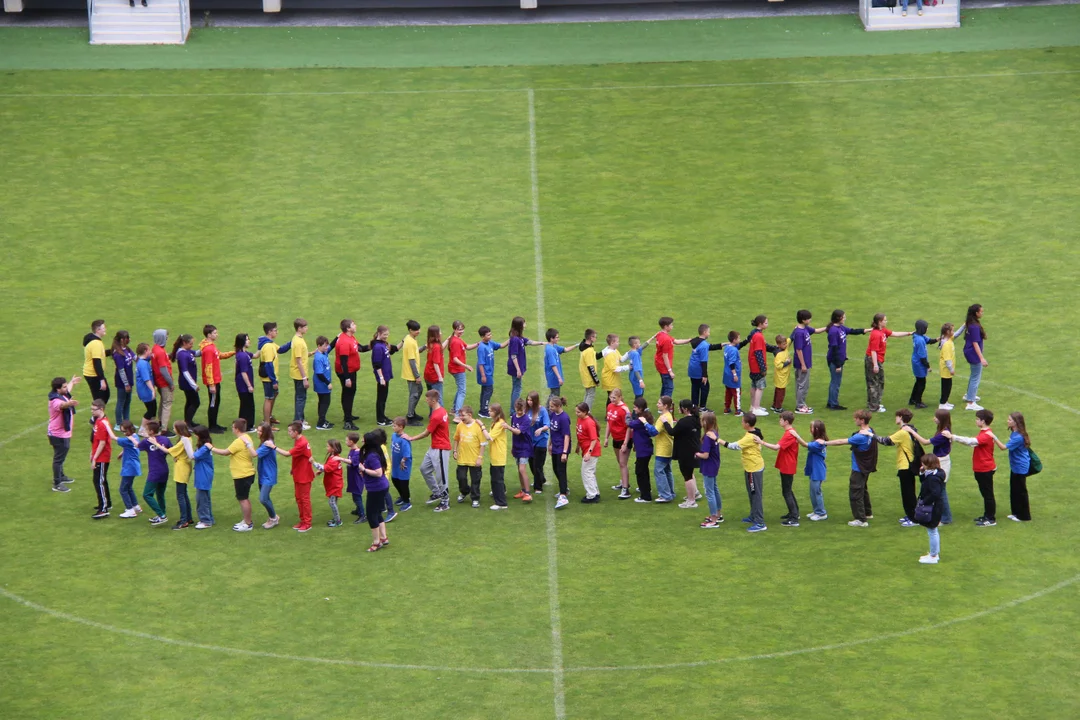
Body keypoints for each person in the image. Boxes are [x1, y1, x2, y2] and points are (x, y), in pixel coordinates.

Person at [824, 409, 878, 527]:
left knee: (855, 492)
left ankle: (860, 519)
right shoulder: (871, 431)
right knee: (863, 490)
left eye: (856, 418)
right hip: (866, 467)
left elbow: (841, 441)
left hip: (858, 468)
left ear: (862, 420)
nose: (854, 420)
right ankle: (867, 512)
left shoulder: (860, 436)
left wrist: (824, 443)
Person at [947, 408, 998, 526]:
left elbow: (971, 441)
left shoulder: (985, 435)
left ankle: (990, 519)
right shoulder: (985, 433)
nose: (976, 421)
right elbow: (973, 443)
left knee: (988, 494)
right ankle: (987, 516)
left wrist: (953, 437)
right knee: (985, 494)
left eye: (977, 419)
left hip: (985, 468)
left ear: (983, 421)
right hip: (982, 468)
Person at [718, 413, 767, 533]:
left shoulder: (749, 437)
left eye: (742, 421)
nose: (741, 423)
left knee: (756, 495)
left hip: (753, 468)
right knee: (752, 493)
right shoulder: (755, 431)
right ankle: (753, 515)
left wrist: (718, 440)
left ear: (747, 424)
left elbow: (733, 446)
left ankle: (760, 522)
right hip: (752, 467)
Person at [406, 390, 453, 512]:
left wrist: (411, 438)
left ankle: (445, 501)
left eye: (427, 400)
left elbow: (426, 433)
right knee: (424, 469)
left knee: (441, 476)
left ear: (433, 400)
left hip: (441, 448)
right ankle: (437, 492)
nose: (426, 401)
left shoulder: (437, 415)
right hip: (434, 447)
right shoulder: (441, 410)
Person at [873, 408, 920, 527]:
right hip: (909, 465)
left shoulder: (903, 432)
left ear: (901, 417)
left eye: (897, 416)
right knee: (909, 492)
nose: (895, 418)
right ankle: (911, 515)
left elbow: (886, 441)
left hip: (905, 466)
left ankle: (914, 519)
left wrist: (871, 435)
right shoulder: (910, 429)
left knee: (907, 494)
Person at [756, 410, 801, 526]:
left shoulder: (789, 434)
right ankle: (794, 512)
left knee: (786, 491)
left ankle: (794, 517)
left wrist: (762, 442)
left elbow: (776, 447)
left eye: (781, 419)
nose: (779, 421)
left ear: (786, 421)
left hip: (787, 465)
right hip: (788, 464)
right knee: (788, 490)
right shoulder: (791, 432)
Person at [212, 419, 257, 531]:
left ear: (236, 429)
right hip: (247, 472)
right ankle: (246, 520)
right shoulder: (247, 437)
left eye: (233, 427)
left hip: (242, 474)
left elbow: (225, 452)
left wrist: (211, 448)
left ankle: (248, 523)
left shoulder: (238, 441)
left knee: (243, 498)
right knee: (243, 498)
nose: (232, 429)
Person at [865, 313, 913, 414]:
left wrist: (909, 333)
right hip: (874, 360)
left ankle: (874, 402)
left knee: (878, 381)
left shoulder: (882, 331)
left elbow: (895, 334)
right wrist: (875, 365)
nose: (886, 321)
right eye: (885, 320)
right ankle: (874, 406)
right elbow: (873, 351)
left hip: (877, 359)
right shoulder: (876, 334)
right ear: (879, 322)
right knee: (874, 383)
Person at [274, 421, 314, 531]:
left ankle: (307, 523)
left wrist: (274, 447)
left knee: (304, 500)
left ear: (296, 432)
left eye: (290, 431)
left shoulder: (301, 443)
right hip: (298, 473)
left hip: (304, 475)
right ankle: (303, 520)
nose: (288, 433)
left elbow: (287, 454)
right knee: (298, 498)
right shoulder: (298, 440)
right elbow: (301, 456)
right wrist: (294, 468)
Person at [824, 310, 868, 411]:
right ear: (838, 318)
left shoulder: (840, 328)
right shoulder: (833, 331)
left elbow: (852, 331)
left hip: (839, 359)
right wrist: (838, 364)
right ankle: (833, 404)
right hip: (835, 360)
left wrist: (866, 330)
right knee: (835, 382)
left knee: (835, 382)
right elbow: (834, 349)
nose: (845, 318)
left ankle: (831, 402)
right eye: (843, 317)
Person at [356, 431, 391, 552]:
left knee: (371, 515)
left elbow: (378, 473)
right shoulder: (373, 453)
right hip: (379, 487)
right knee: (377, 512)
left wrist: (364, 469)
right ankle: (384, 537)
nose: (362, 441)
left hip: (377, 489)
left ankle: (376, 542)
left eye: (363, 440)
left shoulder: (372, 456)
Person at [156, 421, 193, 529]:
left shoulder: (184, 439)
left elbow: (168, 451)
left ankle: (183, 520)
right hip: (184, 466)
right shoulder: (187, 438)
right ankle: (188, 517)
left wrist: (156, 443)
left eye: (174, 427)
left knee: (180, 495)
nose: (173, 429)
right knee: (183, 494)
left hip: (182, 468)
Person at [199, 325, 235, 434]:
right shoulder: (209, 349)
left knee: (216, 401)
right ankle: (212, 426)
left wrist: (233, 352)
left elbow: (220, 355)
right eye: (215, 333)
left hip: (215, 380)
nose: (217, 334)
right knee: (213, 403)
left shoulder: (211, 346)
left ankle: (214, 424)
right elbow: (208, 367)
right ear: (209, 335)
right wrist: (211, 384)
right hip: (213, 381)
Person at [47, 375, 80, 493]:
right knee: (58, 459)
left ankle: (61, 476)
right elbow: (62, 405)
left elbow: (68, 391)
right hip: (57, 434)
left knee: (61, 457)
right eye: (64, 387)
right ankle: (57, 483)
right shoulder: (55, 401)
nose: (67, 389)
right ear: (58, 389)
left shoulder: (61, 394)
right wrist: (70, 403)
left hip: (63, 433)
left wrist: (72, 382)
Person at [790, 310, 826, 415]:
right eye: (809, 318)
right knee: (803, 385)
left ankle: (801, 404)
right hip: (802, 363)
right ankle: (800, 406)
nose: (810, 320)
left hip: (804, 362)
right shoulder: (799, 333)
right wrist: (803, 364)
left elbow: (816, 331)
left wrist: (828, 327)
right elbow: (798, 349)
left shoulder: (804, 328)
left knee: (801, 384)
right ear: (803, 320)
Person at [136, 420, 171, 525]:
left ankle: (162, 515)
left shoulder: (147, 441)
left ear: (151, 431)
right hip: (164, 469)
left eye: (146, 430)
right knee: (160, 493)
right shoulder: (165, 439)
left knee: (147, 494)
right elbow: (172, 450)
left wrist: (132, 439)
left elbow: (138, 446)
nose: (145, 431)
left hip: (155, 471)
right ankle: (162, 513)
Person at [332, 319, 365, 430]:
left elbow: (359, 348)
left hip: (351, 371)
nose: (355, 326)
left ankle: (348, 415)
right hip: (346, 372)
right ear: (348, 328)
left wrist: (372, 345)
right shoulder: (344, 342)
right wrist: (346, 378)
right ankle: (347, 421)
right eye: (353, 325)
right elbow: (343, 362)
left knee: (350, 392)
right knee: (348, 394)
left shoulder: (350, 337)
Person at [744, 315, 780, 417]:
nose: (767, 324)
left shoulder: (754, 333)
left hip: (752, 365)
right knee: (760, 387)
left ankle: (753, 406)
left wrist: (774, 348)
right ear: (760, 324)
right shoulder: (759, 336)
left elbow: (763, 346)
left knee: (754, 385)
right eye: (766, 323)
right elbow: (759, 353)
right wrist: (763, 368)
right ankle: (756, 408)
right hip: (757, 366)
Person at [257, 322, 291, 426]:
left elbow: (281, 350)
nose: (277, 332)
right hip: (269, 378)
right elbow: (268, 364)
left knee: (274, 394)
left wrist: (292, 342)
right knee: (269, 398)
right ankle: (267, 423)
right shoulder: (267, 346)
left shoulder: (271, 343)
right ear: (269, 332)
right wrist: (273, 380)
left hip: (271, 377)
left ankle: (269, 417)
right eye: (275, 330)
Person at [453, 406, 488, 508]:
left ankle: (475, 498)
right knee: (461, 478)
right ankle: (464, 491)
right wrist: (455, 450)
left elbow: (483, 443)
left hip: (474, 459)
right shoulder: (459, 425)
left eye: (463, 415)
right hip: (462, 458)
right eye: (460, 415)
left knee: (475, 480)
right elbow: (456, 438)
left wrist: (480, 457)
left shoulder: (477, 427)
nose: (461, 417)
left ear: (470, 415)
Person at [670, 399, 702, 508]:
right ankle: (695, 493)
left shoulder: (683, 422)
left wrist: (665, 422)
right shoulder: (696, 419)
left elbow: (672, 432)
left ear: (684, 409)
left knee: (687, 476)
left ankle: (691, 500)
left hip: (685, 452)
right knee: (690, 472)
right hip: (694, 450)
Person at [1002, 411, 1032, 522]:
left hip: (1020, 466)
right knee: (1014, 490)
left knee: (1021, 491)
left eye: (1010, 420)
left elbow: (1003, 447)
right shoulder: (1014, 433)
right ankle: (1016, 512)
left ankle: (1024, 516)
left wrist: (993, 437)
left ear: (1016, 422)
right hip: (1015, 466)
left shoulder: (1018, 437)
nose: (1007, 421)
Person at [506, 317, 543, 410]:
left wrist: (542, 343)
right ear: (519, 325)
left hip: (518, 366)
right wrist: (518, 370)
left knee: (517, 387)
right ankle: (513, 410)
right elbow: (513, 356)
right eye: (524, 323)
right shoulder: (515, 339)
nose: (525, 325)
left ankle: (513, 409)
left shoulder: (519, 337)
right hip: (515, 367)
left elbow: (529, 342)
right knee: (517, 388)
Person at [687, 324, 725, 411]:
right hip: (698, 369)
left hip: (692, 368)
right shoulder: (703, 345)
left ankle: (694, 406)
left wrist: (722, 344)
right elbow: (704, 361)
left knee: (695, 387)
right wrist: (704, 375)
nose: (709, 334)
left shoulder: (696, 340)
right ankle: (702, 407)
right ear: (704, 332)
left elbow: (710, 347)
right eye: (708, 332)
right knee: (705, 387)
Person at [603, 388, 632, 498]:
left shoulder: (624, 410)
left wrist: (625, 443)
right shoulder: (610, 406)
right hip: (615, 438)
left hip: (624, 438)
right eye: (610, 397)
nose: (612, 400)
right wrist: (606, 437)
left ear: (620, 397)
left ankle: (625, 489)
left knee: (623, 463)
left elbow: (629, 427)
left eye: (614, 398)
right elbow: (609, 423)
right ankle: (625, 483)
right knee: (620, 462)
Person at [916, 455, 945, 564]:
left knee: (932, 531)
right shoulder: (937, 472)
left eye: (923, 463)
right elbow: (924, 481)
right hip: (935, 506)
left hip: (933, 507)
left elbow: (935, 493)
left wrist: (924, 501)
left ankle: (933, 556)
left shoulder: (933, 478)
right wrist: (922, 473)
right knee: (932, 530)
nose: (922, 465)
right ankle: (934, 554)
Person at [627, 396, 656, 503]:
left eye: (635, 407)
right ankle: (645, 489)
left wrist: (627, 414)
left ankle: (646, 496)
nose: (634, 409)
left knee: (640, 471)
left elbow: (630, 424)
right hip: (644, 448)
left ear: (640, 408)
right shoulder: (644, 417)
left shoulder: (640, 420)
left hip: (643, 449)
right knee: (643, 470)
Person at [696, 411, 723, 527]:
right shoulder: (714, 433)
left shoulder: (707, 436)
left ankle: (713, 519)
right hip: (714, 464)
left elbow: (705, 455)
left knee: (709, 492)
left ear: (706, 422)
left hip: (709, 466)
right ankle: (718, 514)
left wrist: (696, 454)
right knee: (715, 489)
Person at [89, 399, 114, 519]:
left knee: (99, 481)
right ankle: (106, 503)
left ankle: (103, 508)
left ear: (101, 409)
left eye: (94, 410)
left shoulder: (102, 423)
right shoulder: (98, 421)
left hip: (102, 457)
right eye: (91, 409)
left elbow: (102, 443)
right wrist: (91, 452)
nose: (92, 412)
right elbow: (96, 440)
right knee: (100, 480)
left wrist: (95, 458)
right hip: (99, 455)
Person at [961, 304, 989, 411]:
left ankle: (969, 395)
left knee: (974, 375)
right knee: (975, 377)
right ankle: (971, 402)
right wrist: (981, 358)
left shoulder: (970, 323)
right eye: (981, 311)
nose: (982, 313)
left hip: (969, 351)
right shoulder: (974, 326)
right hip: (973, 353)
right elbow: (975, 343)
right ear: (976, 313)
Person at [370, 325, 399, 426]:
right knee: (381, 398)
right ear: (379, 334)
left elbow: (393, 350)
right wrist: (381, 377)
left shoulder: (383, 344)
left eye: (387, 334)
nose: (386, 336)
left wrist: (403, 342)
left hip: (386, 375)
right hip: (382, 377)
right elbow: (376, 364)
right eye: (384, 334)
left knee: (384, 397)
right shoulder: (378, 347)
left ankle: (383, 416)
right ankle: (380, 419)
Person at [475, 326, 506, 419]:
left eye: (490, 334)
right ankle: (484, 411)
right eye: (488, 335)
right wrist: (483, 375)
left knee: (485, 390)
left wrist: (511, 339)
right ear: (482, 336)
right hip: (485, 372)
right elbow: (480, 363)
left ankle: (482, 409)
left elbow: (501, 346)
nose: (490, 336)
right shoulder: (481, 347)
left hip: (489, 372)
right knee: (488, 390)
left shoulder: (490, 343)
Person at [255, 422, 281, 529]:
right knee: (266, 497)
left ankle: (274, 518)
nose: (258, 432)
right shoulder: (264, 442)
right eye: (258, 430)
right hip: (263, 474)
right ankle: (272, 517)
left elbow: (253, 454)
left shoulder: (267, 444)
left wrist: (246, 444)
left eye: (260, 431)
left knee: (263, 498)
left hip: (268, 475)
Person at [508, 398, 535, 504]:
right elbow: (514, 434)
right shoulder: (514, 417)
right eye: (518, 410)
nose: (519, 412)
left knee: (522, 469)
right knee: (519, 469)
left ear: (524, 408)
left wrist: (508, 427)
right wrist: (513, 447)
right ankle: (523, 490)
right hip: (517, 447)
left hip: (525, 447)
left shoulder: (526, 419)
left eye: (521, 410)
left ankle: (528, 493)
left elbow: (518, 432)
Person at [574, 402, 602, 503]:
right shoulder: (580, 419)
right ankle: (595, 492)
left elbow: (594, 439)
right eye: (576, 411)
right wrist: (578, 446)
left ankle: (591, 495)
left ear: (585, 412)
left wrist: (589, 452)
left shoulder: (589, 422)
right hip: (586, 449)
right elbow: (580, 434)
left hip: (592, 450)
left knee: (586, 472)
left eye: (579, 412)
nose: (576, 414)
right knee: (589, 472)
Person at [547, 397, 572, 508]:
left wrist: (565, 452)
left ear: (558, 406)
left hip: (562, 448)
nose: (550, 408)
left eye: (552, 406)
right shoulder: (553, 415)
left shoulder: (564, 418)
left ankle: (563, 495)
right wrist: (550, 444)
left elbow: (567, 436)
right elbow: (552, 431)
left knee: (561, 470)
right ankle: (564, 488)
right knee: (555, 468)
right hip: (555, 446)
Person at [447, 320, 474, 420]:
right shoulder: (455, 342)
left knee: (460, 389)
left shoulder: (458, 339)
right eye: (459, 329)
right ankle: (458, 415)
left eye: (462, 329)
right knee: (462, 391)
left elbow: (467, 347)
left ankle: (454, 409)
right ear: (454, 329)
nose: (461, 331)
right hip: (457, 369)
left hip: (457, 369)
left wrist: (478, 344)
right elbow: (455, 359)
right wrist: (466, 366)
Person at [171, 334, 200, 426]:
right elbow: (185, 371)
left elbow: (197, 353)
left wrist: (206, 346)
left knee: (189, 401)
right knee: (195, 402)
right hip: (187, 383)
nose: (192, 345)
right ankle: (188, 423)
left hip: (188, 382)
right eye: (190, 343)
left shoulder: (187, 351)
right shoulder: (182, 354)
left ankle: (188, 421)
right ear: (184, 343)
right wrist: (194, 385)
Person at [115, 421, 143, 518]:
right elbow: (129, 446)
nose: (123, 433)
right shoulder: (135, 437)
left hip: (129, 467)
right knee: (129, 487)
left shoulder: (127, 440)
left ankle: (130, 510)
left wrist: (107, 427)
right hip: (133, 466)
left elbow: (114, 438)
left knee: (123, 489)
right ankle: (136, 506)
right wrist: (122, 453)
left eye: (124, 431)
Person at [908, 320, 938, 409]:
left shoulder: (918, 336)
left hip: (916, 362)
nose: (927, 329)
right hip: (919, 364)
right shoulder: (920, 340)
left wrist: (938, 339)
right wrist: (928, 367)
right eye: (926, 328)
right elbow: (922, 357)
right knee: (922, 383)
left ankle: (912, 399)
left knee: (918, 382)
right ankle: (918, 402)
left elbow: (929, 341)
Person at [543, 329, 576, 406]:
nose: (558, 339)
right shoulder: (550, 350)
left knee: (554, 394)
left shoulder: (554, 346)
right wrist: (559, 378)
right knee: (555, 395)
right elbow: (553, 365)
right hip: (553, 376)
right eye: (557, 337)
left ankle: (547, 410)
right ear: (551, 338)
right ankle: (548, 411)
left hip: (554, 376)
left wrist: (577, 345)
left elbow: (565, 349)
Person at [526, 391, 551, 495]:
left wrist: (541, 429)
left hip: (541, 441)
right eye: (528, 400)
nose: (529, 402)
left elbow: (547, 425)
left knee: (538, 464)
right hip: (530, 441)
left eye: (531, 400)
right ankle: (541, 478)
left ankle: (538, 487)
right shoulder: (527, 410)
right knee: (531, 463)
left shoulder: (542, 411)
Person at [400, 320, 425, 425]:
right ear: (410, 330)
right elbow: (411, 360)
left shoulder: (409, 338)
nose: (418, 331)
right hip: (411, 374)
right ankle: (410, 417)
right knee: (414, 394)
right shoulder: (410, 342)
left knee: (419, 390)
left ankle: (412, 413)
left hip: (411, 373)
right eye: (416, 330)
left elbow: (415, 352)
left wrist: (424, 347)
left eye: (418, 329)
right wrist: (417, 376)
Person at [803, 420, 829, 521]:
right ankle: (816, 510)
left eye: (812, 427)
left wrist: (796, 436)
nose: (810, 429)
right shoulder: (818, 441)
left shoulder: (819, 443)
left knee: (816, 492)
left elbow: (805, 445)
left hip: (817, 471)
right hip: (814, 469)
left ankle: (821, 513)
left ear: (817, 429)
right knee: (812, 492)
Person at [150, 329, 175, 434]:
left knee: (163, 402)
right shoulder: (160, 352)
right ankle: (164, 429)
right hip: (164, 382)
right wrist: (171, 383)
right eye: (166, 336)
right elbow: (163, 370)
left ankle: (160, 422)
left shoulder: (155, 349)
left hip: (158, 381)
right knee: (167, 403)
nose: (167, 338)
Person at [652, 396, 676, 503]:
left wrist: (645, 424)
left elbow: (654, 432)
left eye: (659, 403)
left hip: (663, 449)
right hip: (669, 447)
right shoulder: (668, 415)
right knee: (667, 471)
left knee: (659, 471)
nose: (657, 405)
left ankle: (665, 495)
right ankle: (670, 492)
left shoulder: (663, 418)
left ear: (665, 406)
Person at [487, 403, 511, 510]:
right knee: (495, 478)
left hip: (498, 455)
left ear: (496, 412)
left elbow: (490, 437)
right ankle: (499, 494)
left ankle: (501, 503)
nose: (489, 412)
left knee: (497, 479)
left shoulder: (500, 423)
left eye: (490, 411)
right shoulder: (495, 423)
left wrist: (481, 427)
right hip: (495, 455)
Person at [191, 425, 215, 529]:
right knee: (205, 497)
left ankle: (205, 521)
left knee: (202, 499)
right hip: (203, 473)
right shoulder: (204, 445)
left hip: (203, 474)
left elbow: (194, 456)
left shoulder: (205, 446)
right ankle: (209, 518)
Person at [110, 330, 135, 430]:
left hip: (129, 379)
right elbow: (121, 371)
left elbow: (135, 357)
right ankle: (119, 423)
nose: (129, 340)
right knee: (121, 402)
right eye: (127, 338)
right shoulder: (118, 354)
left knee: (128, 401)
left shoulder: (127, 349)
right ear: (122, 340)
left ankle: (127, 422)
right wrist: (126, 384)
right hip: (122, 382)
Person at [82, 319, 110, 407]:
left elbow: (101, 354)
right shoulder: (96, 343)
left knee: (104, 395)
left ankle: (96, 415)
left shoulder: (94, 340)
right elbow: (96, 362)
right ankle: (95, 417)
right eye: (103, 328)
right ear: (98, 330)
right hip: (93, 375)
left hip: (92, 373)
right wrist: (101, 379)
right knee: (100, 398)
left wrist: (113, 351)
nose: (105, 329)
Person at [289, 319, 311, 428]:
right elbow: (298, 361)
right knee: (301, 398)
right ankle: (298, 422)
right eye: (305, 327)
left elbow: (302, 355)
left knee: (300, 397)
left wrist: (312, 353)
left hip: (298, 373)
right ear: (299, 328)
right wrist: (304, 378)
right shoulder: (298, 342)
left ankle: (300, 419)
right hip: (299, 374)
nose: (307, 328)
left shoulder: (299, 339)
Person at [318, 439, 345, 527]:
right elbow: (327, 467)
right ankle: (336, 518)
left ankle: (338, 521)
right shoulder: (332, 456)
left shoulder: (334, 459)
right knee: (334, 502)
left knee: (332, 502)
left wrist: (313, 462)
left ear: (333, 448)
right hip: (334, 484)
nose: (326, 447)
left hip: (335, 485)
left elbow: (326, 468)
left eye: (328, 446)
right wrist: (321, 471)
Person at [233, 334, 256, 432]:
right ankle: (246, 426)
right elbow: (243, 372)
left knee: (248, 404)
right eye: (247, 340)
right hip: (243, 385)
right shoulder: (242, 356)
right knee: (247, 405)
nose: (249, 341)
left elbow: (255, 355)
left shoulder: (244, 353)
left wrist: (264, 344)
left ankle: (244, 425)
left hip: (244, 384)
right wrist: (249, 385)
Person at [600, 334, 630, 408]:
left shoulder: (614, 350)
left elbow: (621, 359)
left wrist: (629, 353)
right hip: (610, 379)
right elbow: (614, 369)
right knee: (612, 397)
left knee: (612, 397)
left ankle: (611, 412)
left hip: (613, 379)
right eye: (617, 342)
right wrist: (627, 367)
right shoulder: (610, 354)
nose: (618, 343)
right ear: (612, 343)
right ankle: (609, 413)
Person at [390, 417, 413, 511]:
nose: (393, 427)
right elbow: (392, 447)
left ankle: (407, 502)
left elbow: (407, 454)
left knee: (403, 483)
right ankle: (402, 496)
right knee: (394, 479)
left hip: (403, 465)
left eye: (394, 426)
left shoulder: (404, 440)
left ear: (401, 427)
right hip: (395, 463)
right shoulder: (393, 435)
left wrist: (403, 461)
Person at [343, 431, 367, 525]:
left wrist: (341, 459)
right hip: (353, 477)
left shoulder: (357, 452)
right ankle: (358, 510)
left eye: (347, 440)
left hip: (357, 478)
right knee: (354, 495)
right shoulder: (352, 450)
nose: (345, 441)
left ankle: (362, 515)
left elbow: (353, 462)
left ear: (352, 441)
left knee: (357, 496)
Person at [133, 343, 156, 437]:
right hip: (145, 390)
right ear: (145, 351)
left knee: (153, 409)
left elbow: (148, 358)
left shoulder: (142, 361)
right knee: (150, 410)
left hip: (145, 389)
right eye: (149, 350)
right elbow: (146, 379)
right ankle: (142, 429)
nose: (150, 351)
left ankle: (150, 429)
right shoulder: (143, 364)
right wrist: (152, 390)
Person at [577, 329, 602, 411]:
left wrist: (604, 351)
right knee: (590, 395)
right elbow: (590, 367)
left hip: (585, 377)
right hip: (589, 378)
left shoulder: (584, 347)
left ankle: (582, 410)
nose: (596, 338)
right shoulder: (589, 351)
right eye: (595, 337)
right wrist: (596, 380)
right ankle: (586, 412)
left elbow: (596, 356)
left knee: (587, 394)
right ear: (591, 338)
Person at [312, 336, 334, 431]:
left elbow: (331, 346)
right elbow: (319, 373)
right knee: (325, 402)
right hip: (322, 384)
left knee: (322, 402)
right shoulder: (318, 358)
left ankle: (323, 420)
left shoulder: (323, 352)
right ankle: (320, 423)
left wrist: (338, 337)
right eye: (325, 345)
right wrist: (328, 383)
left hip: (323, 384)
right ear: (319, 346)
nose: (327, 347)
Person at [623, 335, 654, 400]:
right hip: (636, 377)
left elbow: (643, 346)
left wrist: (652, 337)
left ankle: (640, 408)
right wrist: (640, 381)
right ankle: (637, 409)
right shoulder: (636, 354)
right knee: (639, 396)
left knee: (640, 392)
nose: (640, 344)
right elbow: (636, 369)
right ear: (634, 344)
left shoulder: (632, 351)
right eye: (638, 343)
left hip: (633, 376)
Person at [423, 325, 446, 412]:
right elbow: (435, 363)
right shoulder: (436, 346)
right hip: (434, 376)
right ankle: (438, 418)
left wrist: (447, 340)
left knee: (431, 397)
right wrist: (440, 376)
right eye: (440, 332)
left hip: (428, 374)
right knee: (437, 400)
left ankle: (432, 415)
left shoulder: (430, 344)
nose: (441, 333)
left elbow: (440, 349)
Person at [722, 330, 743, 416]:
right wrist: (735, 374)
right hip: (732, 375)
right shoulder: (734, 350)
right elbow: (732, 363)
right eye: (738, 338)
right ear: (734, 340)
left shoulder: (727, 347)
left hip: (726, 375)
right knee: (736, 392)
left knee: (728, 392)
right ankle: (738, 410)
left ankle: (727, 408)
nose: (739, 339)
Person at [771, 335, 792, 414]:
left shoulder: (785, 347)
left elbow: (790, 338)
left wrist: (796, 329)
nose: (786, 345)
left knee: (778, 390)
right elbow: (778, 365)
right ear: (778, 345)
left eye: (786, 343)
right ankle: (778, 407)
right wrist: (787, 362)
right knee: (781, 392)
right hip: (781, 376)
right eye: (784, 344)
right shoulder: (779, 354)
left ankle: (774, 405)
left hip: (782, 376)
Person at [938, 323, 956, 410]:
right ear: (948, 332)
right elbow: (947, 359)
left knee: (948, 386)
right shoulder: (946, 345)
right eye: (952, 330)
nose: (954, 331)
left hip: (947, 370)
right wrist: (951, 369)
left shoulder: (949, 340)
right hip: (946, 370)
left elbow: (957, 334)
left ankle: (945, 402)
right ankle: (942, 404)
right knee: (946, 387)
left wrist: (964, 326)